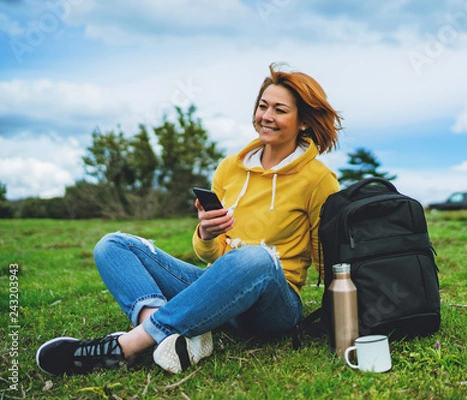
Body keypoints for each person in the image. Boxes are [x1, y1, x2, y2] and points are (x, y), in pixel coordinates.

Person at [36, 63, 342, 375]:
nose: (266, 116)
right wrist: (207, 235)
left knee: (257, 258)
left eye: (280, 110)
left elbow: (327, 256)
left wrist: (350, 312)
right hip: (219, 288)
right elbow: (210, 254)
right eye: (262, 106)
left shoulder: (318, 179)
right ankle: (171, 335)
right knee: (112, 245)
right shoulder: (229, 168)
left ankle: (128, 345)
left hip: (273, 304)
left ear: (303, 121)